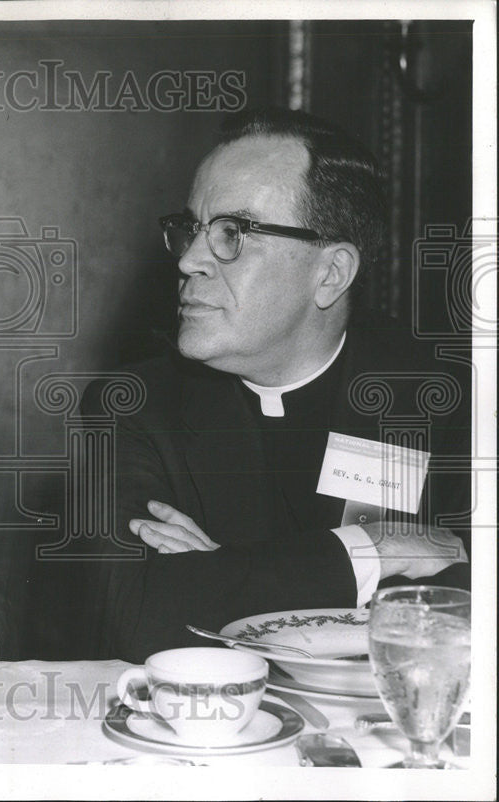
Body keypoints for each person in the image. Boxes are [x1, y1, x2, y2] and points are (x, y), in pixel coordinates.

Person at [84, 107, 470, 661]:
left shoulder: (444, 398)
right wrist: (370, 552)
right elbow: (138, 615)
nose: (190, 260)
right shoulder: (131, 405)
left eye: (232, 234)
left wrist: (220, 573)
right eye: (191, 229)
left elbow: (473, 607)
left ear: (331, 273)